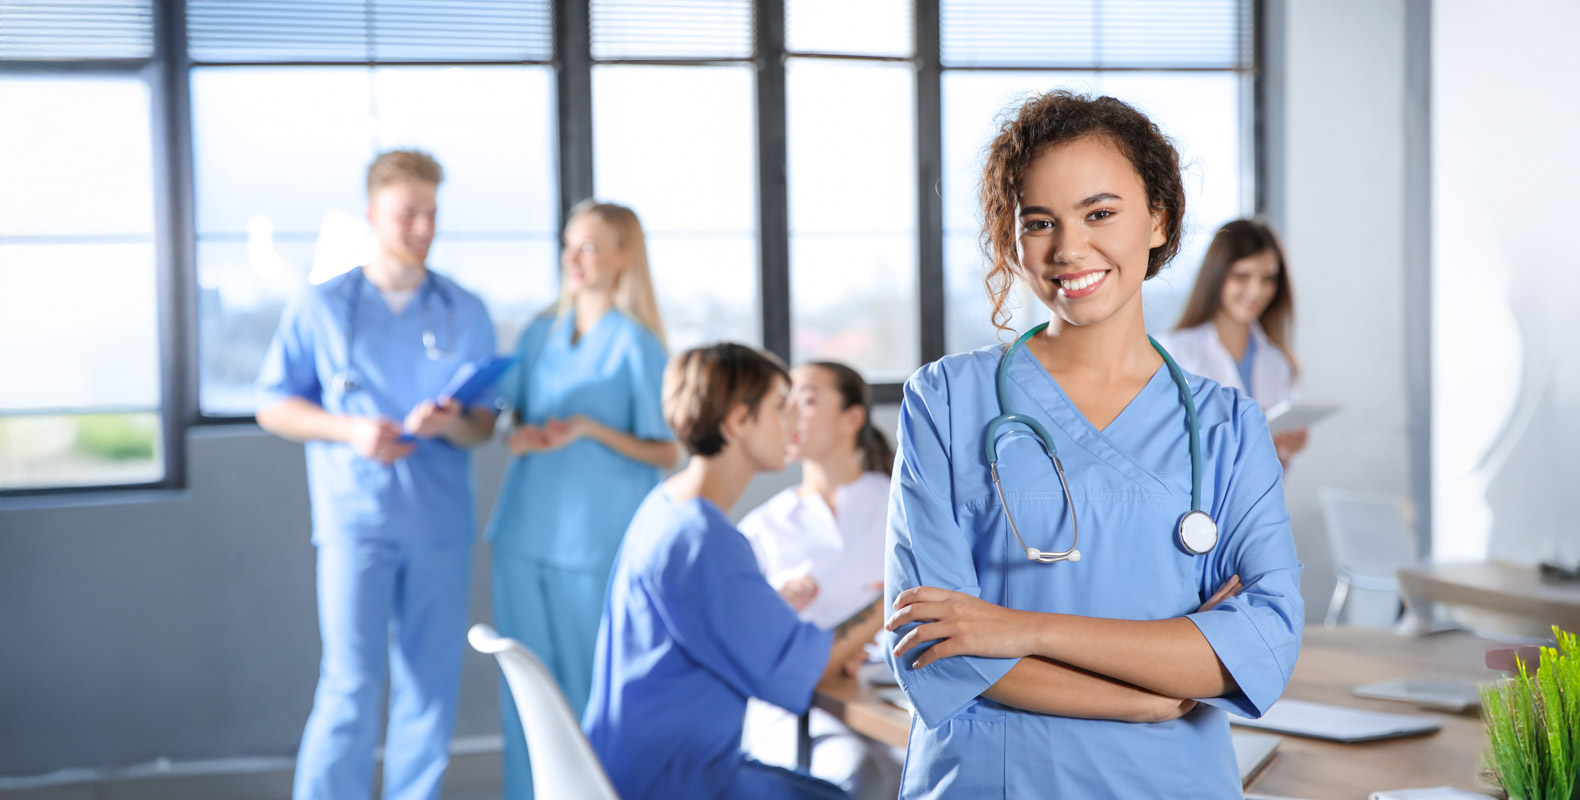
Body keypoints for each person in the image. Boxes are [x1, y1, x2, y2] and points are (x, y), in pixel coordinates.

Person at [882, 91, 1303, 798]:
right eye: (1039, 222)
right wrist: (1144, 691)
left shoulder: (1229, 428)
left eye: (1100, 213)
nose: (1070, 249)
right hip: (993, 779)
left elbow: (1258, 648)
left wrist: (1016, 628)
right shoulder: (946, 401)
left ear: (1159, 218)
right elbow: (933, 645)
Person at [255, 149, 498, 800]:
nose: (422, 227)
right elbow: (273, 403)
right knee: (349, 684)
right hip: (355, 522)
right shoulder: (324, 304)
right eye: (407, 213)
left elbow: (483, 425)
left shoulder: (464, 309)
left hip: (439, 524)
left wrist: (454, 422)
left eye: (432, 214)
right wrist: (350, 430)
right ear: (372, 214)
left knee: (429, 686)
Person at [583, 343, 884, 800]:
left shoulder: (669, 508)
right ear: (739, 421)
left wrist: (771, 613)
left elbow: (722, 621)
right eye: (781, 407)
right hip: (674, 780)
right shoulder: (703, 539)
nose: (792, 422)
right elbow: (793, 670)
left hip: (635, 764)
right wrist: (897, 597)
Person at [484, 200, 678, 799]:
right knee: (525, 696)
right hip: (521, 533)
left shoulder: (636, 344)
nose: (573, 257)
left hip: (596, 542)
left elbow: (667, 451)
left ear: (624, 256)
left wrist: (591, 430)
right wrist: (513, 434)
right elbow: (503, 413)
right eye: (569, 244)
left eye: (590, 246)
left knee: (590, 695)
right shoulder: (540, 331)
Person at [737, 361, 902, 800]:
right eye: (785, 401)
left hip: (888, 701)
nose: (790, 412)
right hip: (795, 712)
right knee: (855, 772)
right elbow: (744, 644)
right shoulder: (762, 528)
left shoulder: (901, 507)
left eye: (807, 400)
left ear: (853, 418)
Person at [1164, 218, 1308, 466]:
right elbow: (1164, 445)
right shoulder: (1176, 352)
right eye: (1242, 276)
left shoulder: (1278, 362)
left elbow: (1273, 471)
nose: (1256, 291)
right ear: (1217, 276)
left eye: (1267, 279)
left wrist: (1285, 447)